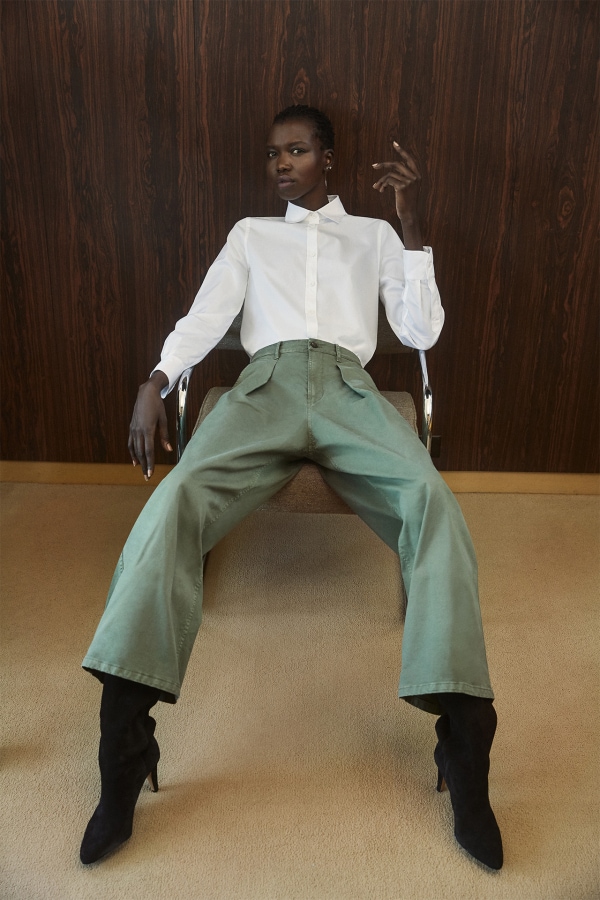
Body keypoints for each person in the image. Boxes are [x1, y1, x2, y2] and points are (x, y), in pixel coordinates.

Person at [80, 105, 503, 870]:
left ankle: (464, 748)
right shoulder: (250, 234)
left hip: (349, 388)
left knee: (432, 502)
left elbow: (421, 333)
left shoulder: (373, 235)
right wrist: (157, 378)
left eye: (297, 150)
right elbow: (207, 314)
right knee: (173, 502)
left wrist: (411, 225)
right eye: (273, 153)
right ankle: (124, 747)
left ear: (327, 160)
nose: (281, 163)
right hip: (263, 385)